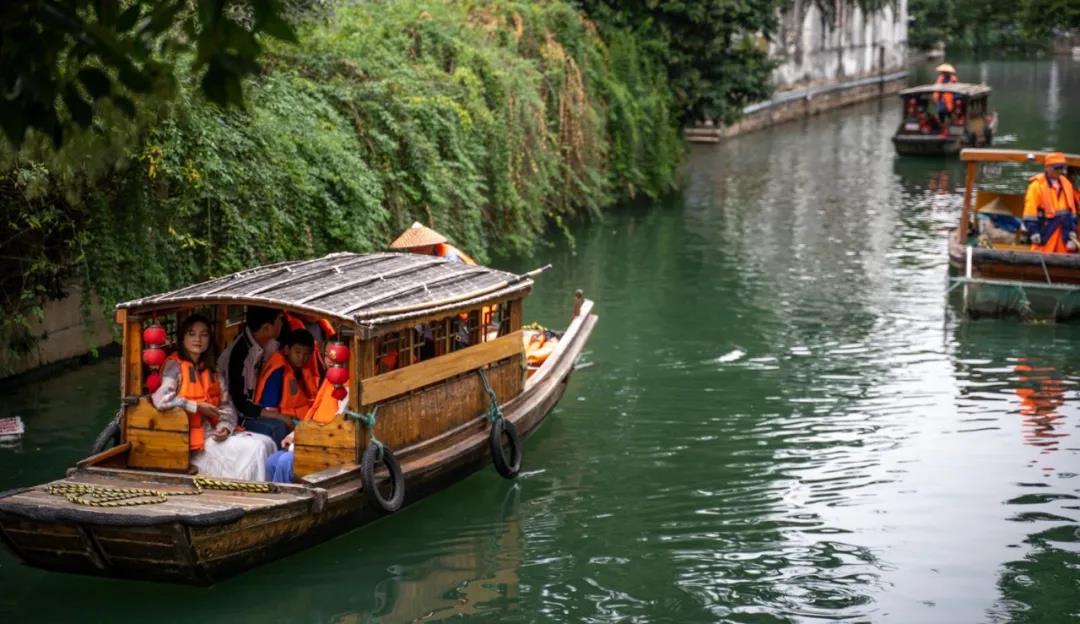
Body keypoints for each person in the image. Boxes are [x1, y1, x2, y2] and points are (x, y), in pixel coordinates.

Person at [152, 314, 275, 481]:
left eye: (204, 335)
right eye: (192, 334)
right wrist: (196, 407)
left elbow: (228, 406)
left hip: (214, 434)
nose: (198, 339)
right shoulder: (174, 366)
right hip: (191, 443)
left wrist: (225, 426)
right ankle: (253, 492)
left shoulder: (212, 369)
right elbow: (161, 398)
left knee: (267, 441)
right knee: (257, 448)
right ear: (183, 338)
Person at [218, 306, 290, 445]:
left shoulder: (266, 344)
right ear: (267, 328)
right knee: (278, 428)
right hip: (234, 416)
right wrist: (277, 416)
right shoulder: (239, 354)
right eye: (280, 320)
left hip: (256, 407)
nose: (283, 324)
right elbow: (240, 404)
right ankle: (273, 466)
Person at [265, 379, 349, 483]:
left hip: (329, 445)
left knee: (285, 461)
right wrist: (294, 434)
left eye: (335, 361)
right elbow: (313, 417)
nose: (329, 361)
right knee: (271, 462)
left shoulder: (350, 387)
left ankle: (284, 498)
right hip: (311, 436)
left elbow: (339, 425)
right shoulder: (328, 381)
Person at [254, 328, 319, 424]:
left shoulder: (302, 370)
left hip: (304, 419)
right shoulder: (278, 372)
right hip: (284, 421)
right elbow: (270, 408)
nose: (301, 358)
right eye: (297, 352)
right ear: (287, 350)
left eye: (307, 354)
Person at [1022, 152, 1078, 254]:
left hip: (1064, 234)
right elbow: (1029, 213)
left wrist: (1072, 232)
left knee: (1064, 259)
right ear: (1047, 167)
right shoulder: (1036, 186)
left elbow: (1072, 212)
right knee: (1039, 258)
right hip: (1044, 232)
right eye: (1056, 168)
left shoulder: (1067, 185)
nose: (1059, 171)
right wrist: (1034, 232)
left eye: (1061, 168)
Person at [389, 221, 477, 265]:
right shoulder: (416, 256)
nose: (414, 251)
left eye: (419, 248)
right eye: (412, 248)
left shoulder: (449, 255)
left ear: (429, 245)